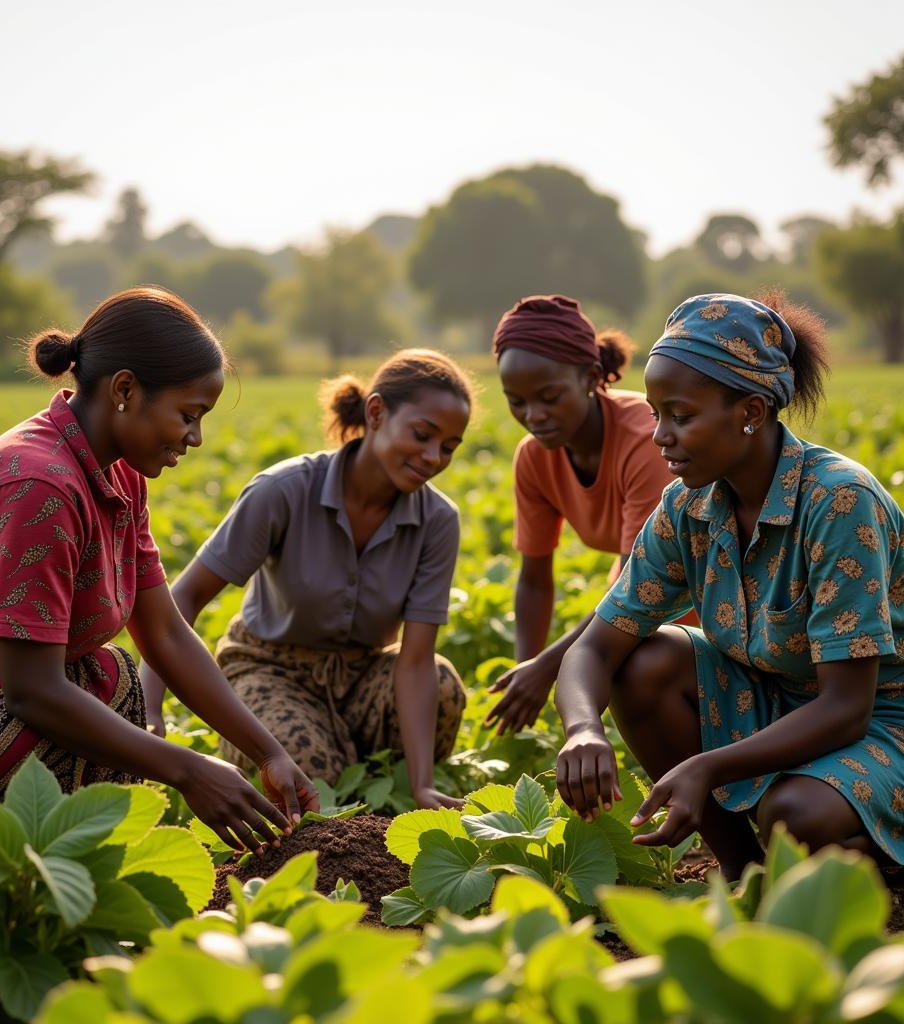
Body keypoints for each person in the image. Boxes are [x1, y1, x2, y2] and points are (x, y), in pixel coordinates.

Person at [0, 287, 317, 854]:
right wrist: (189, 771)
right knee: (33, 727)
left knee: (113, 679)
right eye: (188, 415)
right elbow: (32, 693)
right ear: (126, 391)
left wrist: (269, 753)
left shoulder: (118, 475)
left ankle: (65, 875)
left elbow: (162, 631)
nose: (195, 437)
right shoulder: (37, 486)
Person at [554, 289, 904, 879]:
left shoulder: (840, 501)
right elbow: (596, 645)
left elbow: (846, 707)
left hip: (882, 721)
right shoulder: (687, 506)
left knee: (795, 816)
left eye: (680, 415)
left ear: (750, 413)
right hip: (772, 699)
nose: (660, 434)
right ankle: (743, 874)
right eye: (656, 413)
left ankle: (873, 865)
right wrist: (582, 729)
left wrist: (707, 766)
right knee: (644, 665)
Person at [141, 349, 472, 810]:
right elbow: (185, 599)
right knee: (307, 773)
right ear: (376, 412)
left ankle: (376, 786)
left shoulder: (438, 520)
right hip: (269, 669)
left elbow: (415, 661)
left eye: (449, 448)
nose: (434, 457)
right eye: (422, 435)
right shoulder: (285, 490)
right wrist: (150, 711)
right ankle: (312, 762)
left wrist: (421, 786)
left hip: (362, 677)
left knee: (443, 688)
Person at [486, 294, 680, 734]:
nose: (533, 415)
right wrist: (528, 670)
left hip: (695, 594)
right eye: (516, 401)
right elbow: (535, 578)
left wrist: (551, 667)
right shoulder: (535, 458)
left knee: (633, 668)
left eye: (549, 397)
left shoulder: (644, 440)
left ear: (591, 377)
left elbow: (642, 586)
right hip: (637, 600)